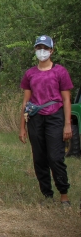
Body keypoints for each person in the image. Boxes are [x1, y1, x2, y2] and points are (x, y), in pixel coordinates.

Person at [19, 35, 73, 206]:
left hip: (55, 116)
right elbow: (26, 102)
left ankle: (64, 194)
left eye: (45, 48)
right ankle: (47, 194)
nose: (42, 51)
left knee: (55, 157)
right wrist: (22, 127)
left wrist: (67, 124)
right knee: (39, 158)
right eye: (39, 48)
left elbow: (66, 99)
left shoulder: (60, 72)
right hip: (35, 118)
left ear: (51, 51)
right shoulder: (30, 74)